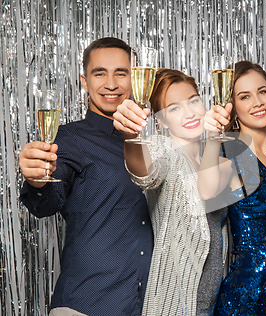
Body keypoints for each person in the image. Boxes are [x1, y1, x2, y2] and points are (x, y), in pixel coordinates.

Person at [18, 37, 154, 316]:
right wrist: (37, 181)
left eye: (121, 73)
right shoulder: (70, 139)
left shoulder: (150, 147)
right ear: (84, 81)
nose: (111, 84)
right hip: (87, 306)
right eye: (99, 73)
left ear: (135, 78)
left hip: (143, 306)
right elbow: (46, 203)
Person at [112, 68, 228, 316]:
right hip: (176, 304)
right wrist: (131, 138)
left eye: (194, 101)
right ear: (161, 120)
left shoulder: (215, 158)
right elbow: (146, 174)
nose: (190, 113)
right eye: (174, 108)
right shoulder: (163, 149)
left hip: (214, 303)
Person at [199, 60, 266, 316]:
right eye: (245, 96)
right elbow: (207, 191)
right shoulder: (233, 153)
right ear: (232, 108)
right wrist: (213, 137)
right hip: (246, 298)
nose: (258, 101)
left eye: (262, 91)